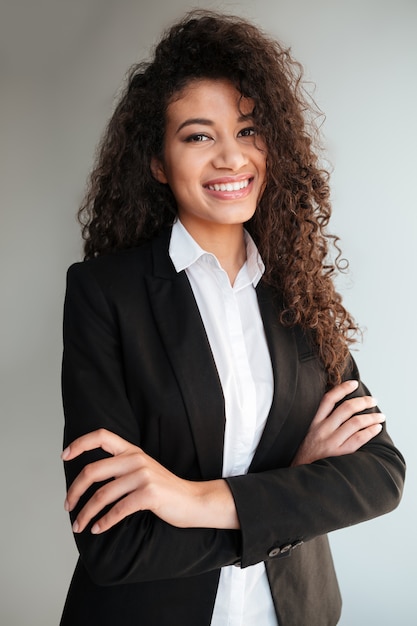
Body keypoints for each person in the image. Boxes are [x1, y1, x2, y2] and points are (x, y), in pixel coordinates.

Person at [60, 10, 405, 626]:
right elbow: (113, 543)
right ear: (158, 161)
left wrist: (193, 499)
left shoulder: (297, 290)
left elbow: (381, 474)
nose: (231, 158)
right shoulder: (105, 295)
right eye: (198, 136)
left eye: (248, 131)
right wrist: (294, 487)